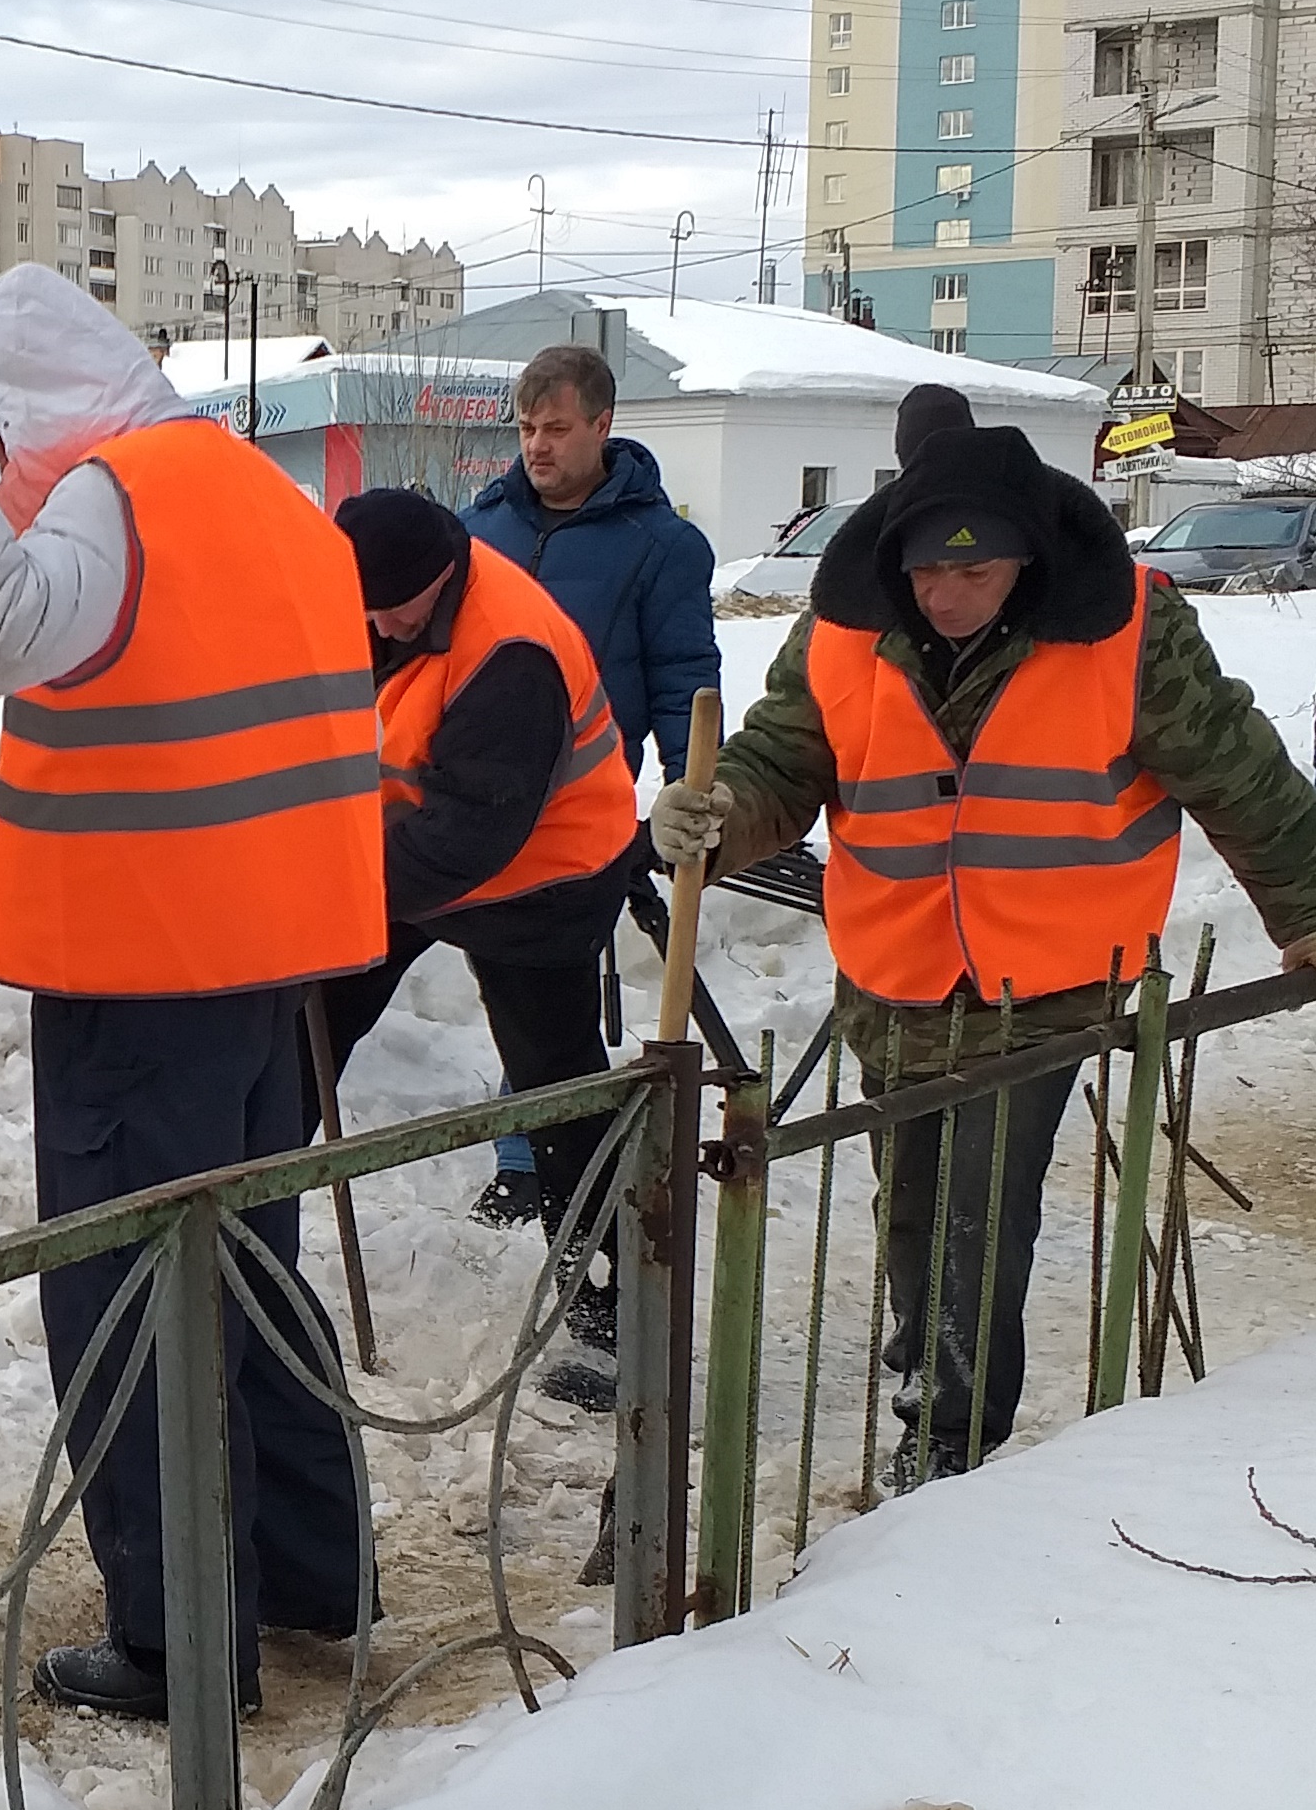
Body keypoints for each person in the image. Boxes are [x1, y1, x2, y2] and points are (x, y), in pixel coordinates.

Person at [0, 263, 378, 1719]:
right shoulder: (260, 495)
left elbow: (1, 634)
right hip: (264, 964)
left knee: (135, 1308)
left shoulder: (119, 490)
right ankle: (314, 1579)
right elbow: (163, 721)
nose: (0, 482)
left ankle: (181, 1639)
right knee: (253, 1280)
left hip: (141, 988)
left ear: (28, 418)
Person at [656, 421, 1316, 1483]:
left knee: (977, 1210)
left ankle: (946, 1444)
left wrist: (1305, 906)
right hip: (894, 972)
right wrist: (715, 811)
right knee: (911, 1207)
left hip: (1041, 986)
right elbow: (783, 761)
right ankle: (927, 1371)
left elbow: (1236, 772)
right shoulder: (841, 625)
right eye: (924, 569)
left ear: (1027, 557)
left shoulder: (1126, 631)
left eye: (970, 570)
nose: (942, 594)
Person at [317, 491, 641, 1397]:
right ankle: (235, 1245)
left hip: (543, 876)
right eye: (366, 608)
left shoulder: (510, 654)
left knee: (558, 1090)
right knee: (296, 1029)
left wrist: (341, 880)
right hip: (409, 849)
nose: (380, 626)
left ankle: (608, 1319)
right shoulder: (378, 601)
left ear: (443, 577)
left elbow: (469, 841)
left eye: (395, 610)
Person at [461, 342, 720, 1229]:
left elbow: (687, 674)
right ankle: (529, 1158)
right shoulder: (481, 528)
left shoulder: (660, 547)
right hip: (470, 806)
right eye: (528, 428)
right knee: (513, 995)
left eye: (558, 428)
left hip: (580, 816)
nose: (537, 446)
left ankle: (532, 1166)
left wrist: (693, 789)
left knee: (547, 996)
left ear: (604, 426)